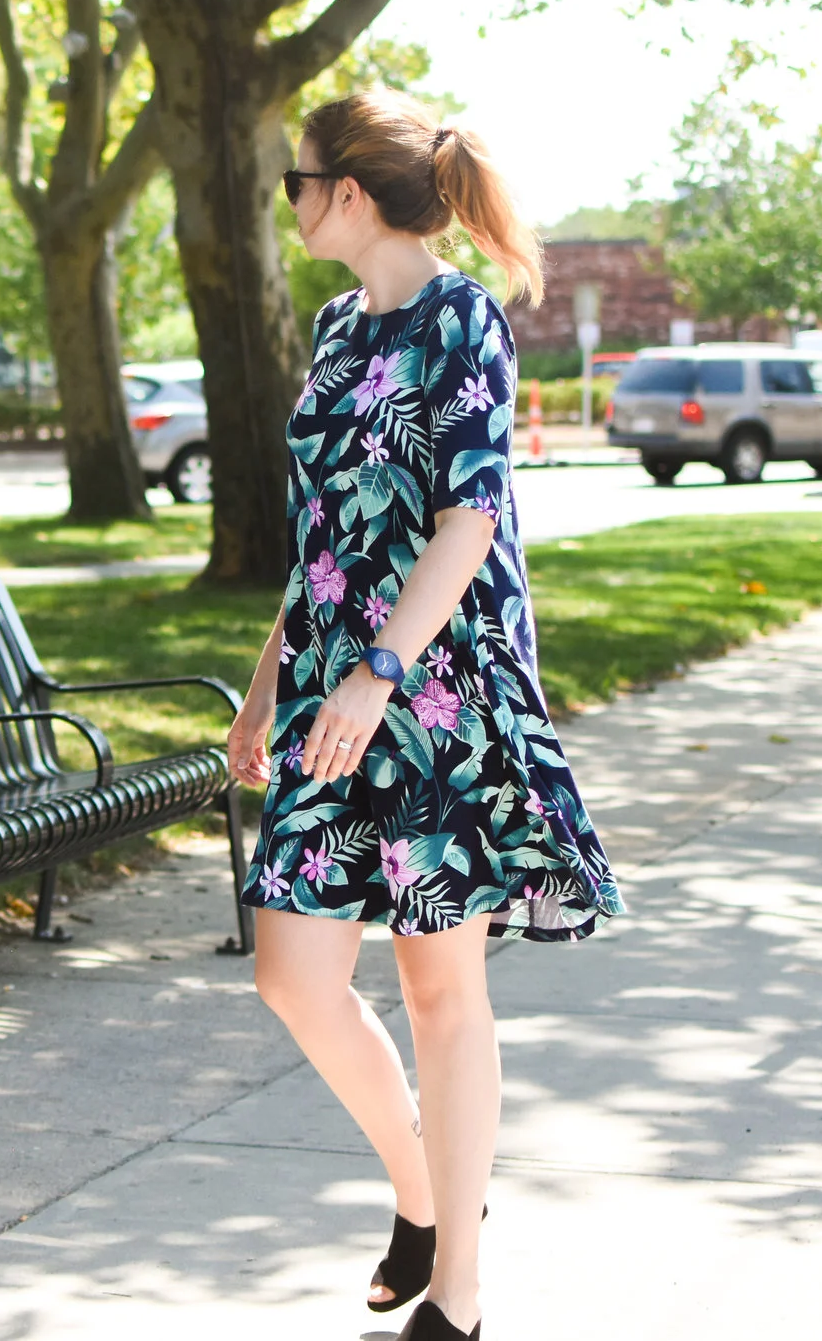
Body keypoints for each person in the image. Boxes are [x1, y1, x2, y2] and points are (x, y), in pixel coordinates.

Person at [226, 89, 622, 1341]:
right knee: (291, 974)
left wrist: (377, 672)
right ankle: (425, 1200)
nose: (286, 199)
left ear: (347, 192)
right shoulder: (340, 328)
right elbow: (327, 537)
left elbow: (468, 518)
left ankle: (456, 1291)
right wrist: (268, 677)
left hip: (432, 688)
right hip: (335, 684)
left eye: (297, 179)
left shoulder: (463, 320)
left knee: (438, 990)